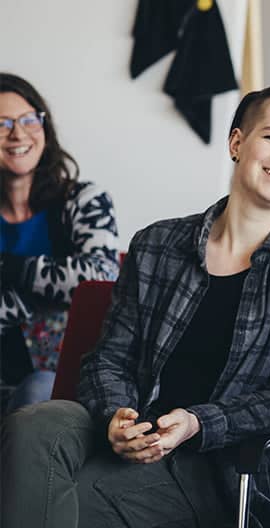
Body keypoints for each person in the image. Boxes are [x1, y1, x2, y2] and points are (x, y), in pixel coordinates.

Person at [0, 84, 270, 528]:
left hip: (216, 466)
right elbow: (110, 358)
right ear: (236, 143)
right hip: (127, 428)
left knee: (37, 510)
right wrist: (116, 416)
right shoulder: (158, 244)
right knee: (32, 423)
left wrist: (195, 422)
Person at [0, 73, 119, 414]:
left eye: (27, 120)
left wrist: (9, 268)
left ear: (44, 126)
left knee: (37, 389)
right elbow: (74, 281)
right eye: (2, 123)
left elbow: (100, 278)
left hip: (66, 379)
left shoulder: (83, 200)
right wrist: (49, 289)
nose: (18, 134)